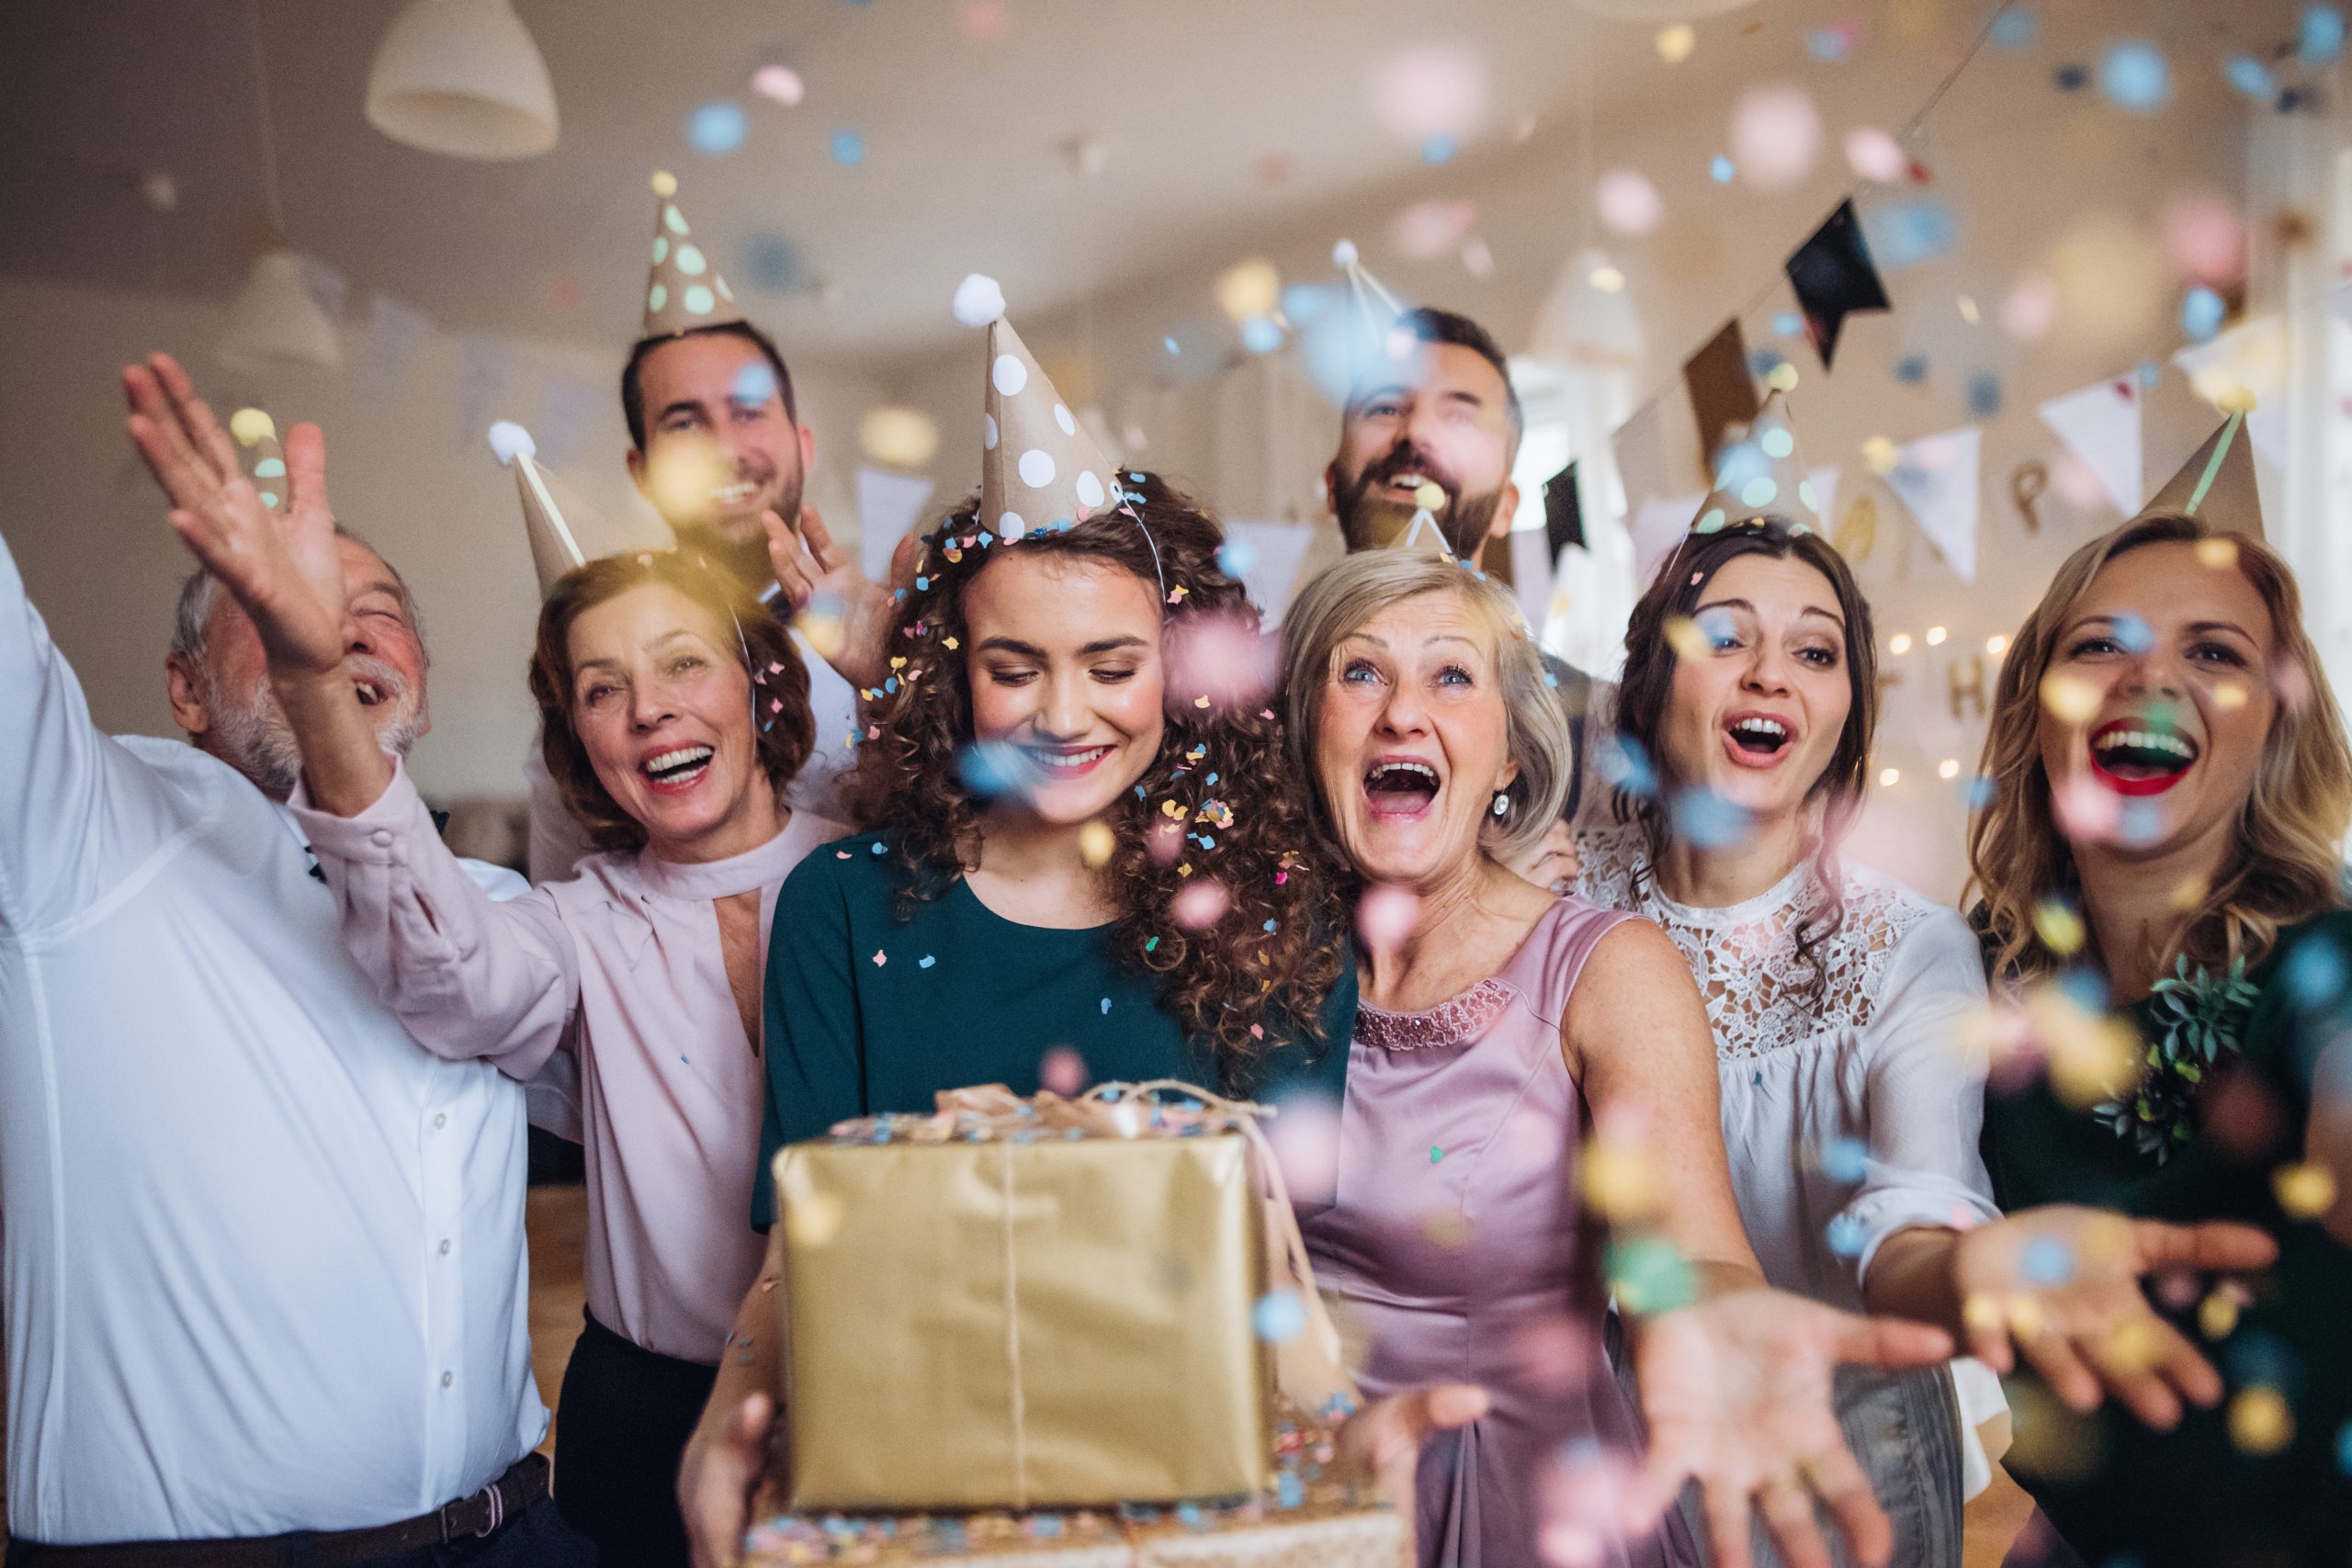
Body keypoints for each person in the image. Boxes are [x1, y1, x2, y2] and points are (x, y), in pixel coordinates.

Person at [675, 308, 1375, 1566]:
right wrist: (728, 1412)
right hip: (916, 1473)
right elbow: (803, 1237)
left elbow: (1275, 1259)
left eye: (1111, 663)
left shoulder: (1278, 917)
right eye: (1015, 665)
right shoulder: (841, 905)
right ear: (957, 675)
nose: (1063, 711)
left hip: (1191, 1483)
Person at [135, 357, 847, 1564]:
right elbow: (445, 968)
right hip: (646, 1411)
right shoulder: (569, 920)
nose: (651, 710)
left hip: (871, 1381)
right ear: (578, 740)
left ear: (755, 679)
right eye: (601, 689)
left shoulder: (880, 878)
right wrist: (316, 680)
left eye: (682, 662)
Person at [0, 351, 586, 1564]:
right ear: (185, 688)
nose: (335, 619)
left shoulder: (492, 902)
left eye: (379, 608)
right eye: (277, 600)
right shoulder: (74, 828)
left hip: (510, 1527)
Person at [1276, 543, 1962, 1568]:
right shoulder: (1243, 968)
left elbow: (1690, 1247)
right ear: (1303, 730)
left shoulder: (1608, 966)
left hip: (1518, 1513)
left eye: (1451, 676)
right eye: (1361, 671)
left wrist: (1715, 1326)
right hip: (1295, 1510)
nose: (1402, 713)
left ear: (1509, 753)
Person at [1964, 414, 2352, 1568]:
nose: (2150, 677)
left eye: (2215, 653)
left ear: (2272, 722)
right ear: (2037, 712)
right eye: (2099, 647)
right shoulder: (1972, 973)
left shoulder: (2328, 967)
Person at [525, 175, 882, 881]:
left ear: (802, 443)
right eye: (685, 421)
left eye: (749, 411)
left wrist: (895, 685)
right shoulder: (598, 695)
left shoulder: (904, 646)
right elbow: (561, 909)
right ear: (643, 470)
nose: (724, 445)